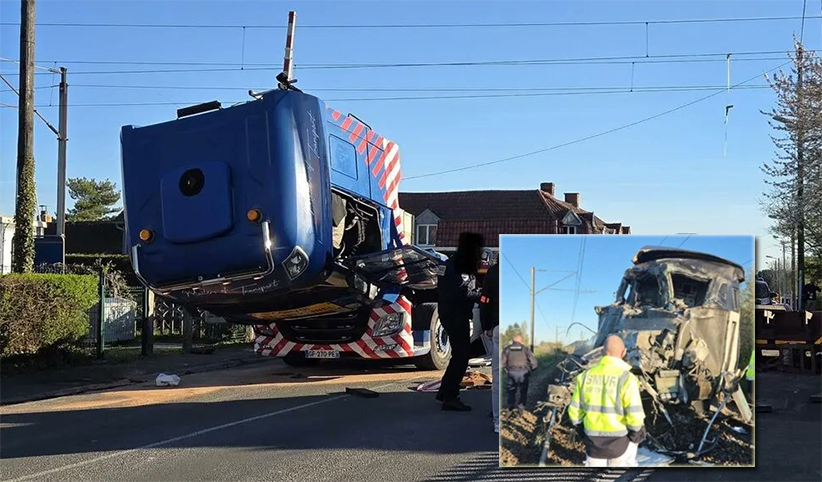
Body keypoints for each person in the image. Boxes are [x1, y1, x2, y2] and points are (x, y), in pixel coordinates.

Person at [568, 335, 646, 468]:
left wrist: (582, 431)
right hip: (620, 443)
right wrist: (635, 436)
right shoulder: (627, 379)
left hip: (593, 444)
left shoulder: (584, 377)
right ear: (623, 353)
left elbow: (574, 413)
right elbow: (635, 416)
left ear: (601, 352)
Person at [436, 232, 484, 412]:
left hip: (450, 314)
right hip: (456, 316)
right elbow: (463, 293)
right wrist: (484, 296)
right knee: (461, 357)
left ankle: (444, 391)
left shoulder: (452, 263)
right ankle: (450, 396)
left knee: (459, 355)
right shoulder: (459, 266)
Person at [479, 261, 500, 432]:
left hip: (500, 327)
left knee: (498, 378)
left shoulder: (494, 271)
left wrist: (487, 326)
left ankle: (499, 422)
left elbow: (485, 300)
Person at [501, 334, 538, 411]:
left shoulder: (507, 349)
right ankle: (521, 407)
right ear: (521, 341)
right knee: (523, 390)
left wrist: (505, 370)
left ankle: (511, 404)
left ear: (513, 341)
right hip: (523, 373)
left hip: (511, 372)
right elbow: (534, 363)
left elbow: (502, 363)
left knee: (511, 390)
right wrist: (530, 370)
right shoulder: (525, 349)